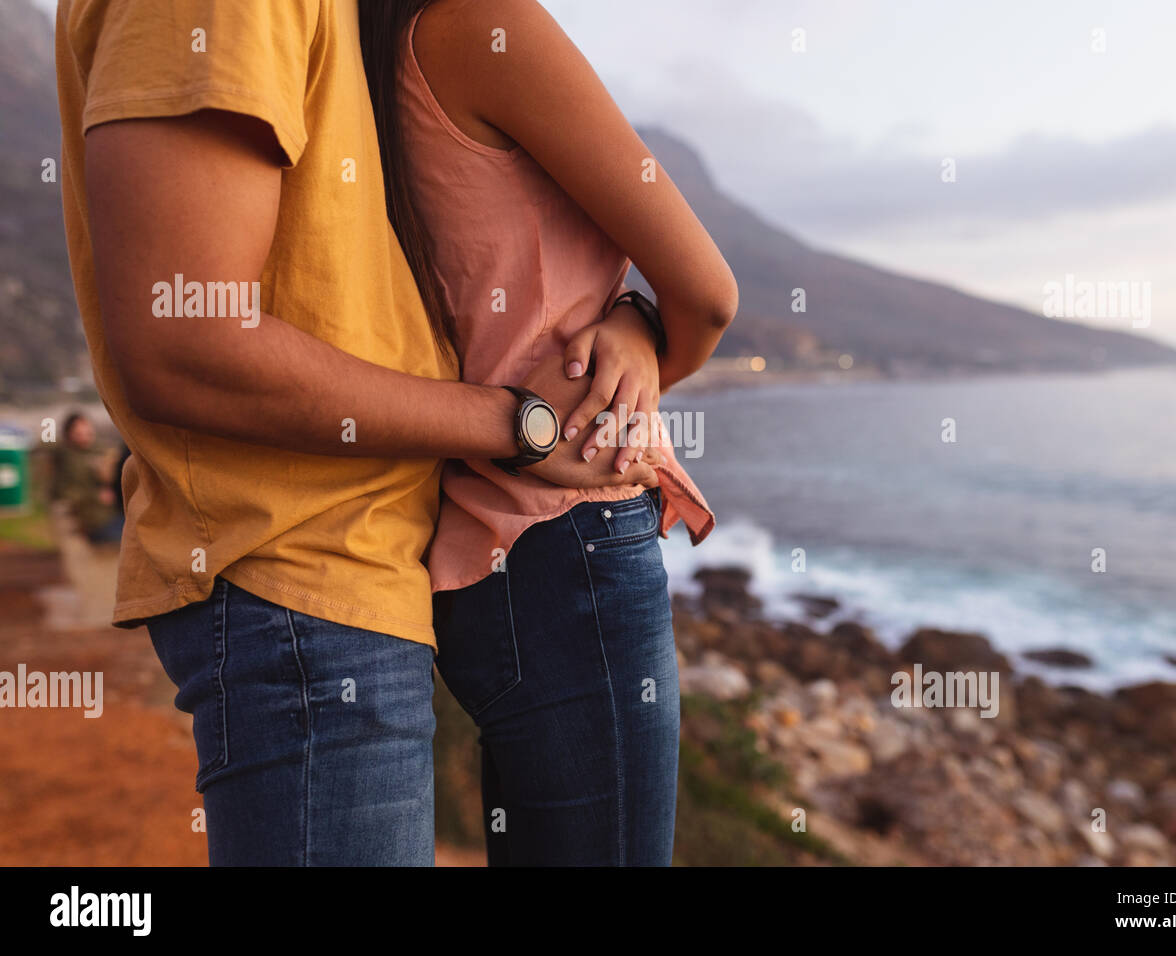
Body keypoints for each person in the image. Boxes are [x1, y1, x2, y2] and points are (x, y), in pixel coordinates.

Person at [55, 0, 659, 866]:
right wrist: (510, 423)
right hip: (297, 576)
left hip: (353, 576)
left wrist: (632, 318)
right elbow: (183, 340)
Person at [360, 0, 737, 865]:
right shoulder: (484, 24)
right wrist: (641, 342)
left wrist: (636, 321)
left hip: (467, 550)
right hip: (571, 541)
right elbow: (711, 294)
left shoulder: (362, 59)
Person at [49, 411, 123, 544]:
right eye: (79, 434)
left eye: (88, 433)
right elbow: (65, 493)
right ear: (69, 435)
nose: (85, 438)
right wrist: (97, 496)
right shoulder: (66, 457)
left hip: (112, 515)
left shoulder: (101, 451)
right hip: (94, 520)